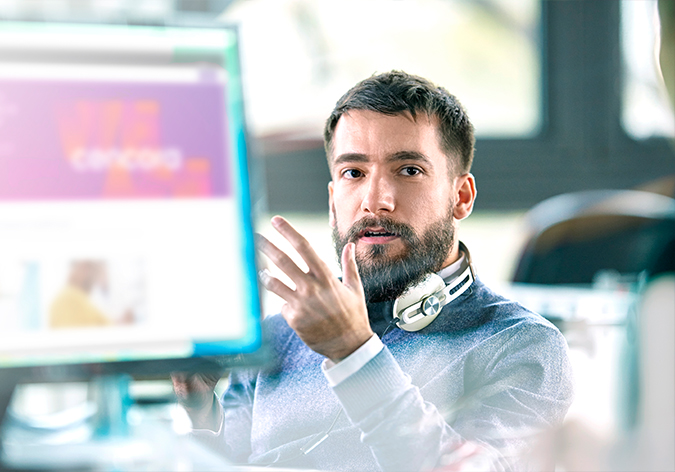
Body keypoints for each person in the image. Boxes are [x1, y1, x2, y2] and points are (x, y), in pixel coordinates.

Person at [172, 71, 573, 471]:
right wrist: (201, 413)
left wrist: (354, 354)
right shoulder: (278, 337)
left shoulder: (525, 346)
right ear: (333, 200)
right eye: (354, 173)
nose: (375, 201)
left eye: (409, 170)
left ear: (461, 196)